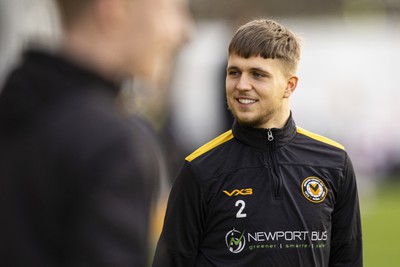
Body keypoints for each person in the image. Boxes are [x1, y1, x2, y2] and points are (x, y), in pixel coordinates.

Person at [153, 19, 363, 267]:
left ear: (289, 86)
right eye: (234, 73)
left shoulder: (334, 163)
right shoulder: (199, 169)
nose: (242, 85)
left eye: (257, 74)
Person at [0, 0, 191, 266]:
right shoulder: (113, 145)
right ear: (115, 8)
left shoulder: (20, 105)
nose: (183, 31)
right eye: (172, 9)